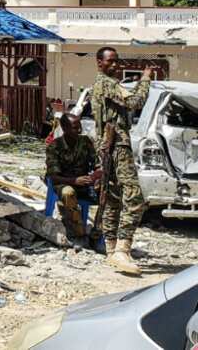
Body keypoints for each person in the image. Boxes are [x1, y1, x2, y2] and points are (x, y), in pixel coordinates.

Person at [90, 46, 155, 275]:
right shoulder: (106, 83)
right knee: (135, 196)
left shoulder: (106, 84)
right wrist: (146, 79)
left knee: (114, 197)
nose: (116, 65)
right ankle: (122, 249)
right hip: (117, 143)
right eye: (111, 61)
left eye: (117, 61)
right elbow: (134, 102)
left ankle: (111, 249)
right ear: (100, 63)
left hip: (108, 145)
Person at [45, 113, 99, 242]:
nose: (79, 130)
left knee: (109, 192)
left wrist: (95, 177)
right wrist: (74, 181)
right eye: (75, 128)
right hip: (63, 183)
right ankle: (79, 233)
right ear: (64, 128)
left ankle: (97, 233)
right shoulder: (54, 146)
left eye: (79, 127)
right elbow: (53, 177)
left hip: (85, 184)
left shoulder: (85, 142)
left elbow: (97, 164)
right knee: (68, 193)